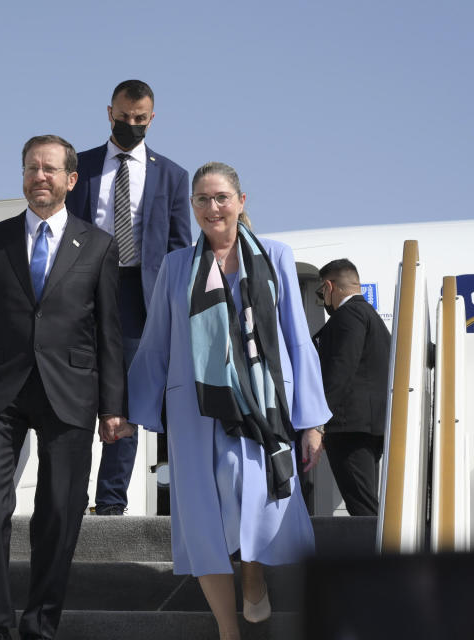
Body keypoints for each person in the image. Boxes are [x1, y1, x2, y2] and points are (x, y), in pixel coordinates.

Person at [117, 162, 330, 640]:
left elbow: (298, 339)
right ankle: (227, 630)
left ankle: (252, 576)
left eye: (221, 198)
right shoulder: (176, 266)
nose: (212, 208)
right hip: (196, 408)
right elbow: (156, 342)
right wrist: (130, 409)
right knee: (201, 518)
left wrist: (312, 421)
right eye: (202, 200)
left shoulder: (275, 255)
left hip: (262, 406)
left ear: (240, 201)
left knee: (254, 498)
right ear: (192, 207)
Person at [0, 135, 127, 640]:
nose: (38, 176)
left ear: (71, 180)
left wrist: (114, 405)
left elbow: (109, 331)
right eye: (30, 168)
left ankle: (40, 623)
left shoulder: (98, 245)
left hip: (69, 390)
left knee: (60, 508)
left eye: (49, 169)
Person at [65, 79, 191, 516]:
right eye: (124, 118)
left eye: (140, 120)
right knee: (76, 394)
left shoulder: (172, 175)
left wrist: (176, 307)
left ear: (151, 119)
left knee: (128, 400)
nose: (132, 125)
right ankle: (71, 496)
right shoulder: (78, 166)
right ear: (109, 113)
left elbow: (179, 247)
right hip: (83, 291)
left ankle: (111, 502)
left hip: (141, 298)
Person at [314, 259, 390, 516]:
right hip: (367, 426)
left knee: (362, 505)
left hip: (350, 428)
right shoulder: (370, 315)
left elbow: (340, 370)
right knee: (364, 499)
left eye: (320, 294)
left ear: (329, 286)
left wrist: (318, 421)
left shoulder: (348, 315)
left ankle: (376, 554)